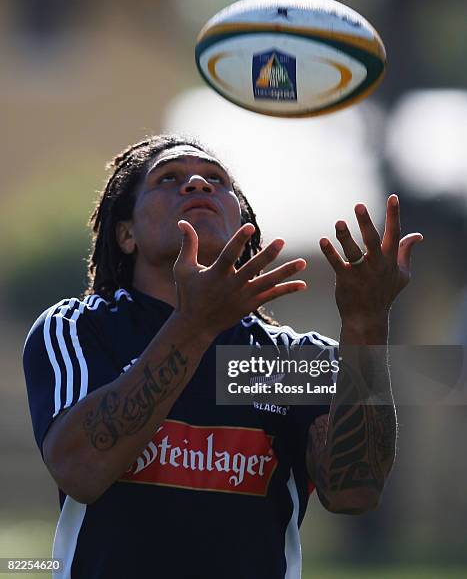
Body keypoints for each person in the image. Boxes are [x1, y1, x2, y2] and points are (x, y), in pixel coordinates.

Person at [23, 134, 422, 579]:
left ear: (240, 224)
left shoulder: (289, 361)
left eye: (216, 179)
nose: (197, 183)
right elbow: (81, 469)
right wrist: (196, 326)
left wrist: (366, 326)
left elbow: (355, 494)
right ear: (126, 233)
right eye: (168, 178)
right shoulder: (80, 328)